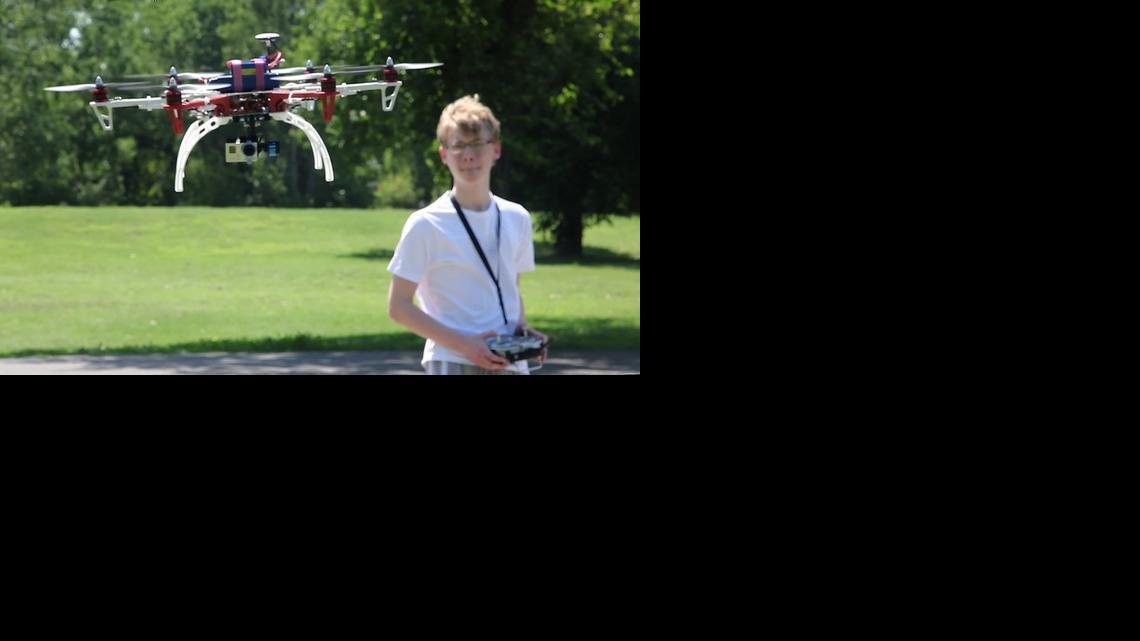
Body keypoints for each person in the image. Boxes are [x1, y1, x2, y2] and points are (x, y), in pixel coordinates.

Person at [387, 94, 548, 375]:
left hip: (510, 363)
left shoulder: (517, 217)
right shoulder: (425, 223)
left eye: (477, 144)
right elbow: (399, 307)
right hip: (453, 361)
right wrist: (467, 346)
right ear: (443, 154)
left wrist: (522, 333)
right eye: (458, 145)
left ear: (496, 149)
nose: (468, 155)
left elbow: (511, 290)